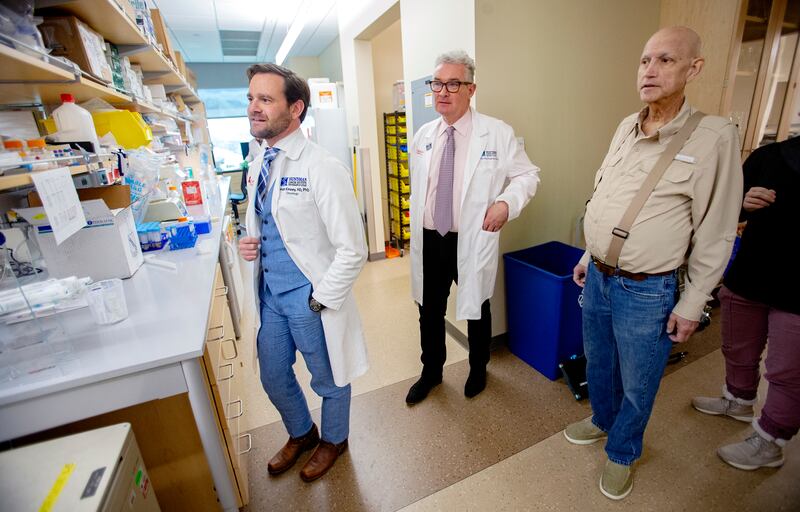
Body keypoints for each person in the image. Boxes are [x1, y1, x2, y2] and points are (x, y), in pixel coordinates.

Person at [565, 27, 743, 500]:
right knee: (599, 364)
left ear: (693, 69)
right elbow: (606, 196)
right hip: (600, 276)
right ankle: (602, 421)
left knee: (639, 381)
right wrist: (588, 253)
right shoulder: (627, 125)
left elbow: (717, 230)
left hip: (648, 289)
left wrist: (692, 302)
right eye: (645, 60)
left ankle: (623, 451)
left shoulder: (714, 136)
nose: (649, 70)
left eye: (665, 60)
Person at [238, 63, 368, 482]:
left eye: (265, 99)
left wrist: (320, 299)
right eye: (251, 99)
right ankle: (302, 432)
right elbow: (265, 221)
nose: (254, 108)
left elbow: (354, 248)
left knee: (328, 378)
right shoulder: (259, 162)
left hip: (309, 296)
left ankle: (334, 439)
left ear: (295, 108)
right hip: (269, 294)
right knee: (274, 375)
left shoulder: (321, 167)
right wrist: (248, 242)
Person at [406, 50, 540, 405]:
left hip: (471, 238)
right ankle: (431, 371)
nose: (442, 92)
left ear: (471, 89)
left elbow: (527, 175)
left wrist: (505, 204)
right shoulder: (423, 135)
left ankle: (478, 367)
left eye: (453, 83)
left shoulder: (496, 133)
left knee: (477, 306)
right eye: (437, 84)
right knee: (429, 310)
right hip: (430, 238)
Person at [692, 135, 800, 470]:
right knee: (737, 346)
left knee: (788, 371)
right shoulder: (769, 156)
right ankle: (738, 399)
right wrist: (743, 202)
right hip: (751, 273)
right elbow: (728, 206)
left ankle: (770, 441)